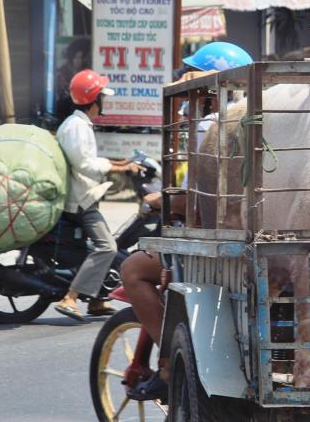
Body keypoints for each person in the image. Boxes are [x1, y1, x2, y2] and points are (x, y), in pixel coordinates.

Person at [121, 41, 253, 401]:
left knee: (133, 269)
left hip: (213, 244)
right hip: (252, 237)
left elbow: (194, 198)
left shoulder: (209, 124)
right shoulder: (258, 120)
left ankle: (167, 362)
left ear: (209, 90)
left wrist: (158, 200)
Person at [53, 70, 143, 322]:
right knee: (107, 247)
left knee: (100, 245)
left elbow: (88, 160)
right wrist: (121, 167)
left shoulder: (79, 125)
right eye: (102, 96)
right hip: (81, 201)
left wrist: (120, 162)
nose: (104, 101)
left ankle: (97, 298)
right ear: (94, 100)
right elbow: (85, 165)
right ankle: (70, 297)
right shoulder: (76, 127)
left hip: (84, 194)